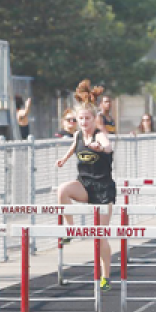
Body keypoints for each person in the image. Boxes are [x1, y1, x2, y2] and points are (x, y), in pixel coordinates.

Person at [55, 82, 116, 291]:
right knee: (63, 190)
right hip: (84, 184)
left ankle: (105, 276)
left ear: (94, 119)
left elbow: (107, 146)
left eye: (87, 119)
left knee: (100, 235)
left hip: (103, 188)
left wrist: (100, 147)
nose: (83, 122)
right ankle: (70, 228)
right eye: (79, 119)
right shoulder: (78, 135)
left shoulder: (100, 135)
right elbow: (74, 147)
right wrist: (63, 159)